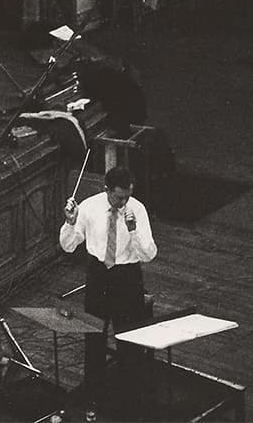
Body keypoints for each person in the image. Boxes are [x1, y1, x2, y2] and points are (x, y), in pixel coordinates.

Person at [60, 165, 157, 401]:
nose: (123, 202)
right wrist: (71, 223)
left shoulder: (137, 209)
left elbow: (149, 254)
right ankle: (93, 395)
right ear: (107, 190)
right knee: (94, 337)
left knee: (130, 340)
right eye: (118, 196)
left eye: (127, 196)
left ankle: (129, 398)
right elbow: (68, 246)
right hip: (99, 276)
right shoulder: (90, 207)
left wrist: (133, 231)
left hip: (127, 277)